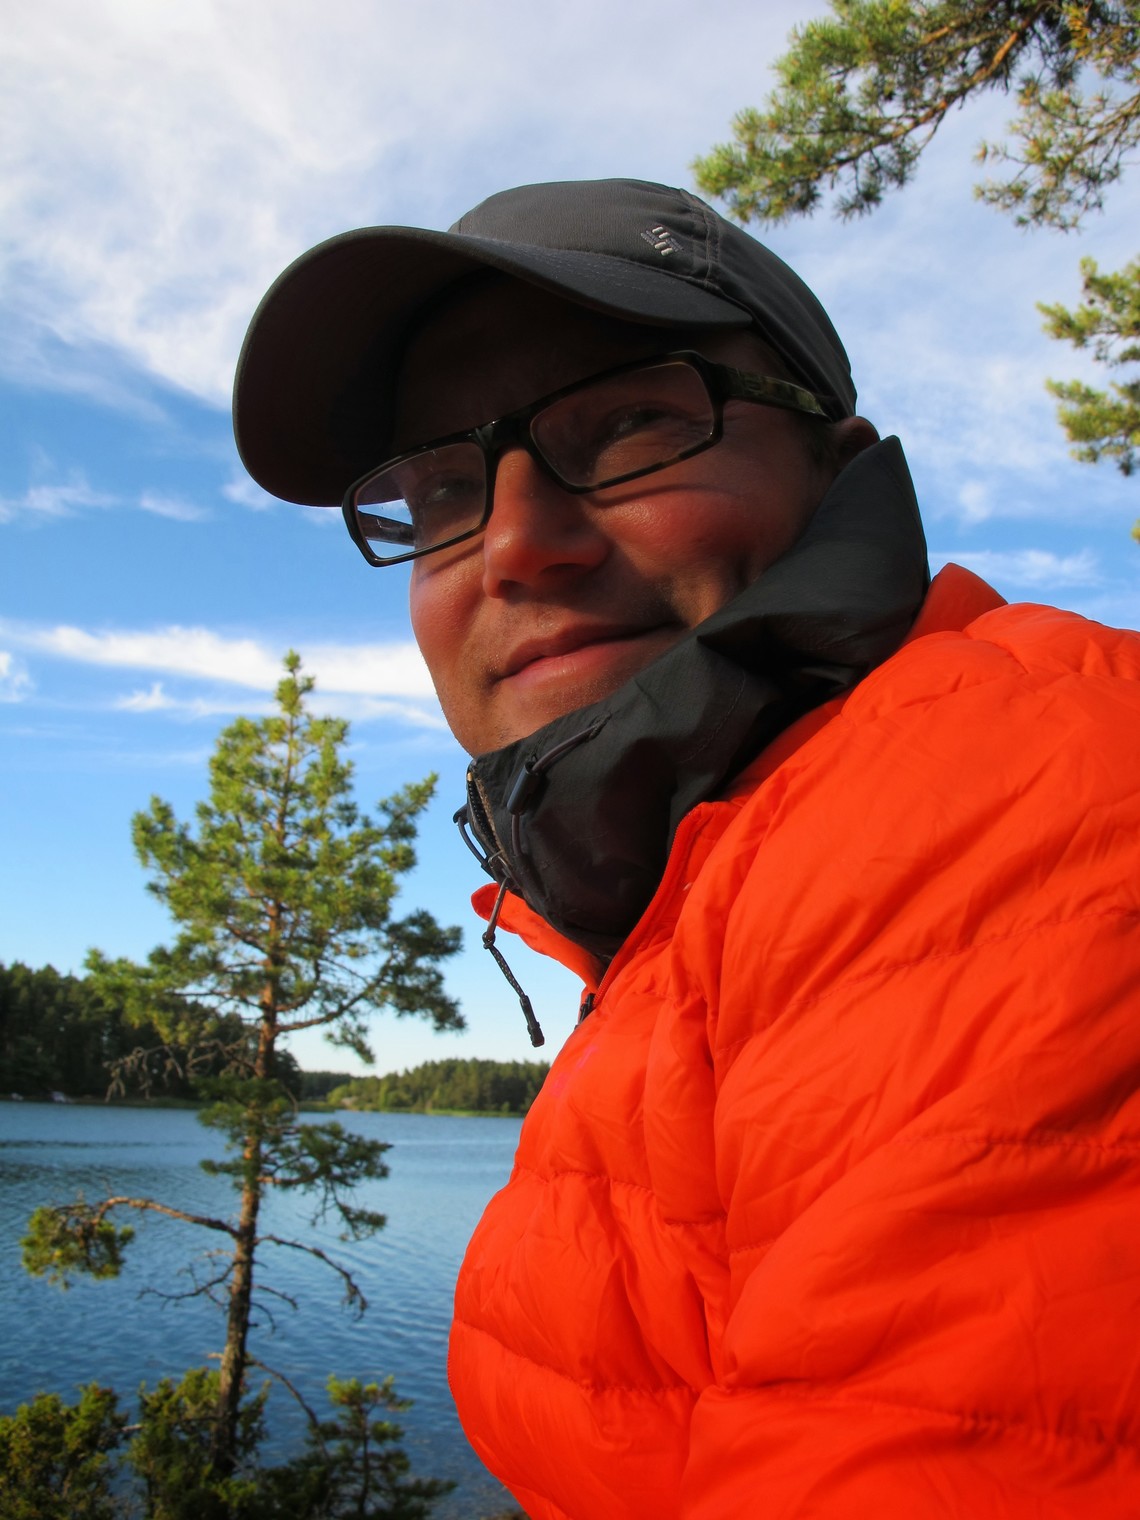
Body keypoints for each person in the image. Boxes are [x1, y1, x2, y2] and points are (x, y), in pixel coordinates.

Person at [234, 179, 1140, 1518]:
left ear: (836, 464)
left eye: (630, 424)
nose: (516, 547)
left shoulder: (1003, 802)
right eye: (440, 492)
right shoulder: (714, 875)